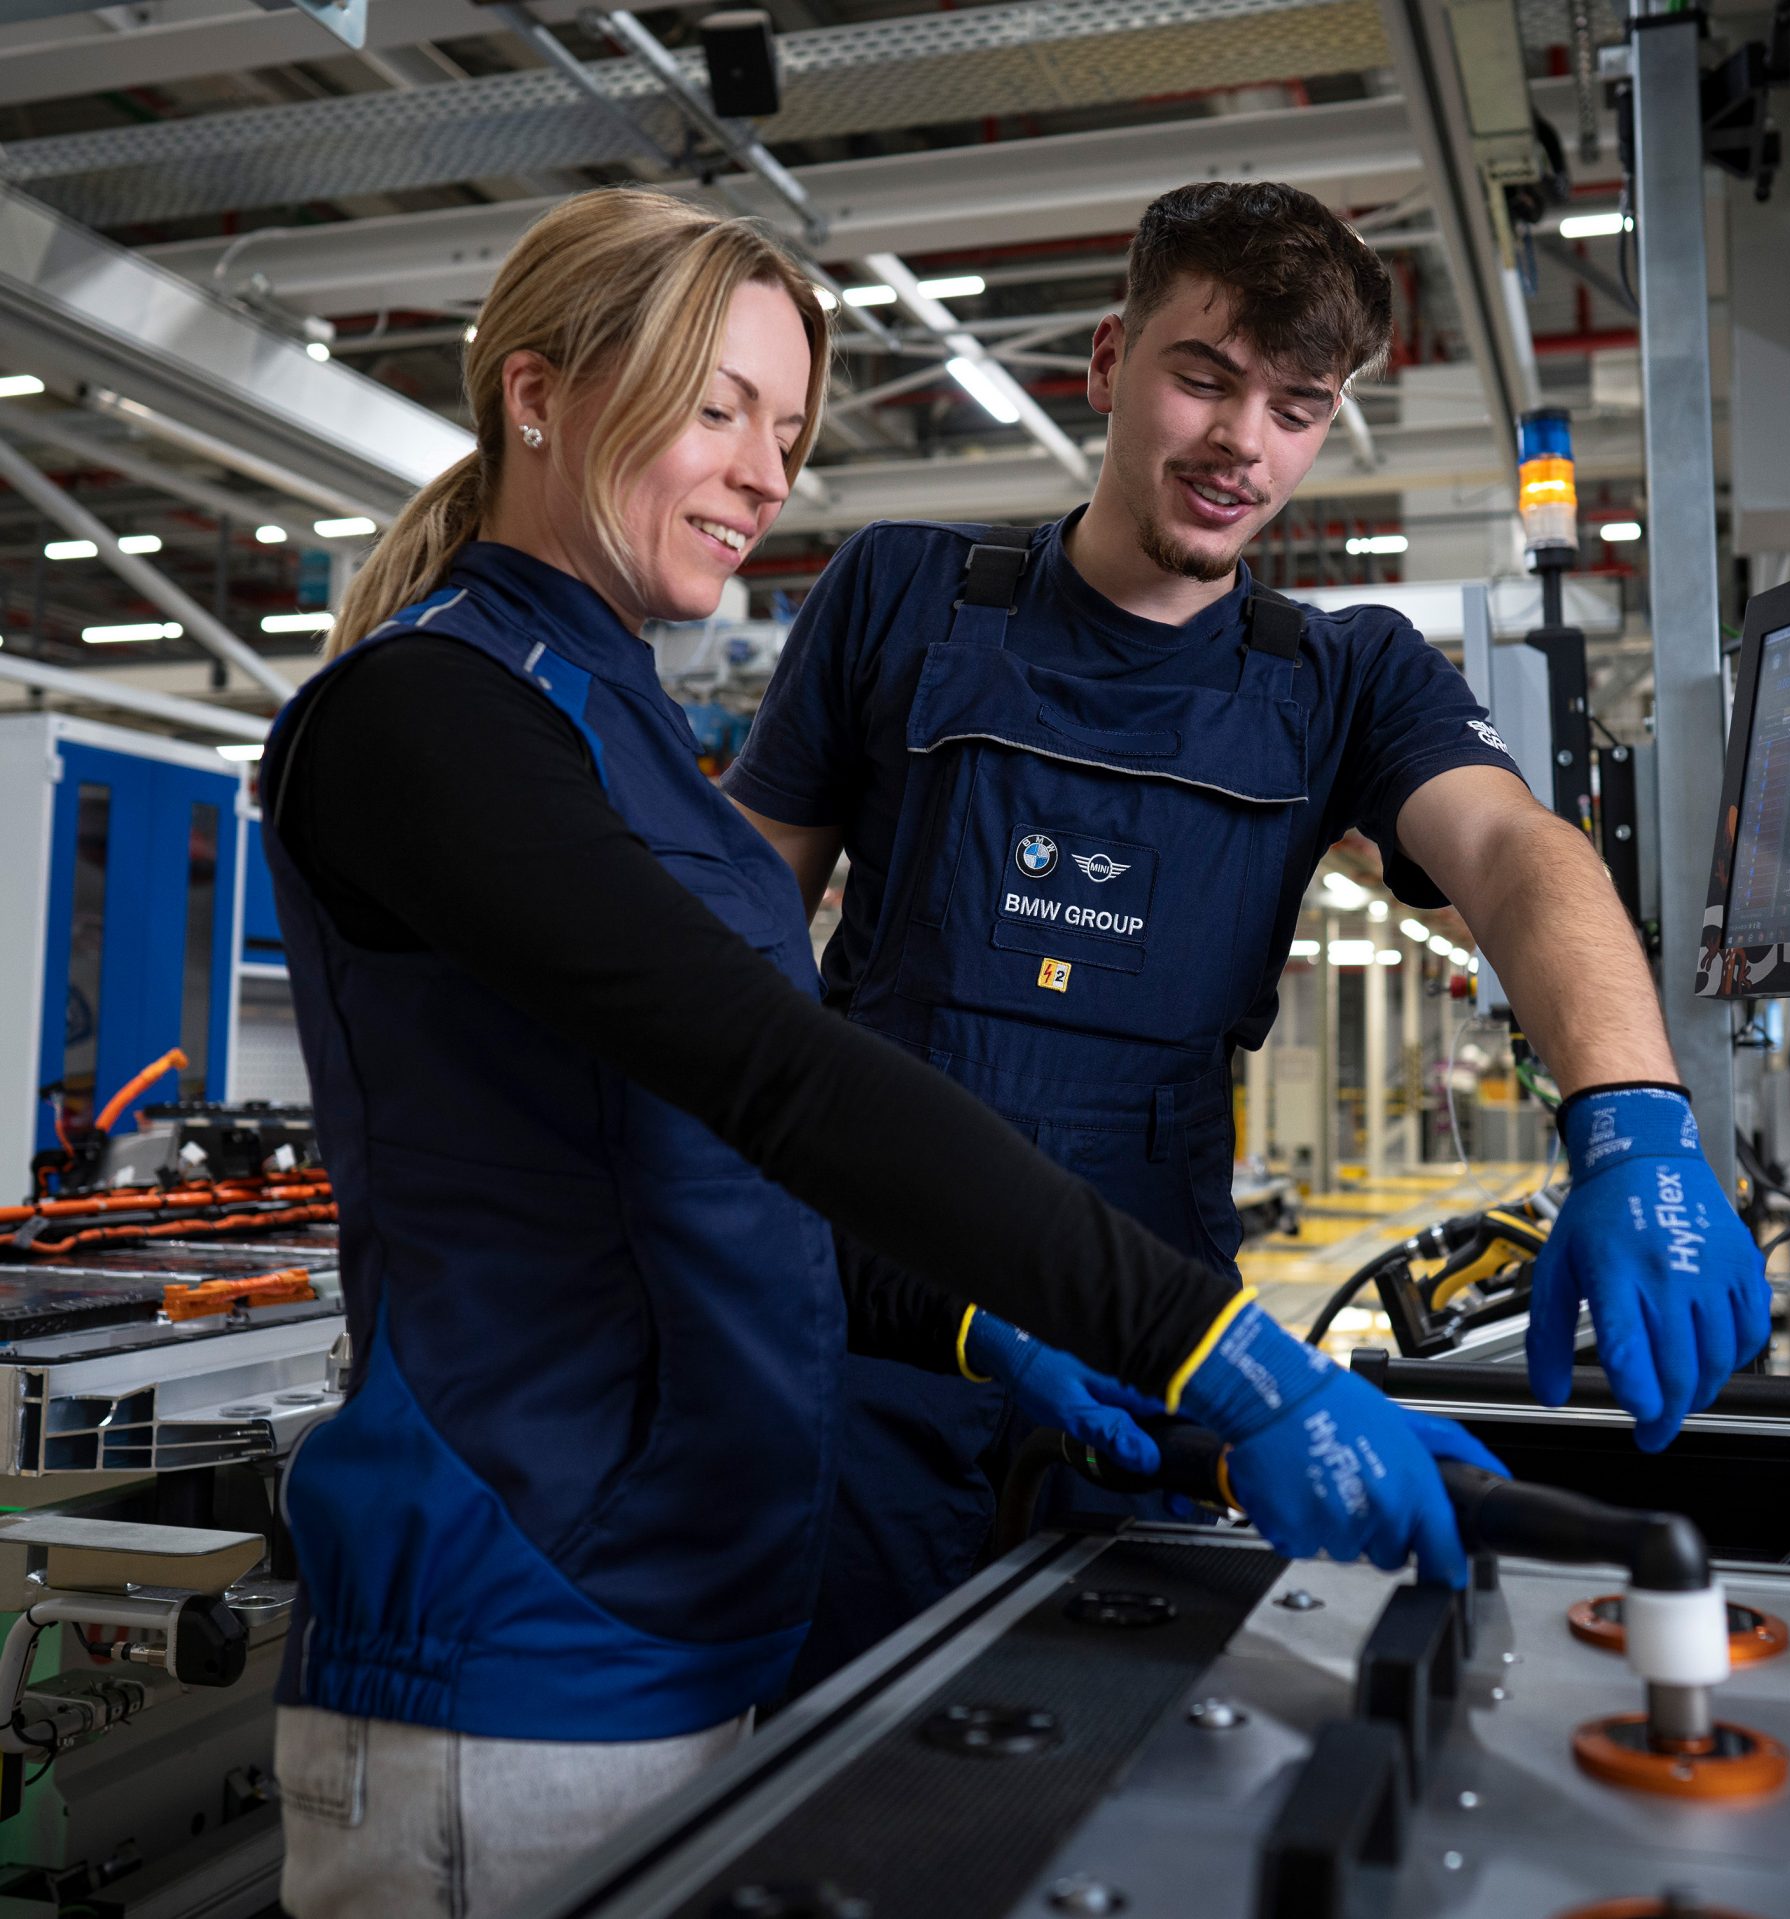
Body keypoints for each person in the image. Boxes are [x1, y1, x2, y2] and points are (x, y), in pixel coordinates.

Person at [256, 187, 1503, 1919]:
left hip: (689, 1616)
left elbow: (714, 1179)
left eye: (786, 424)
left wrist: (987, 1328)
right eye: (716, 411)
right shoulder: (425, 717)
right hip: (513, 1644)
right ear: (534, 392)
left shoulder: (615, 728)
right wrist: (1220, 1353)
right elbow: (776, 1080)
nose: (768, 473)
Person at [723, 178, 1774, 1686]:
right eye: (1204, 378)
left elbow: (1516, 849)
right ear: (1107, 363)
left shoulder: (1345, 678)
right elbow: (726, 950)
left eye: (1297, 405)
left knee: (1124, 1783)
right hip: (858, 1359)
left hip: (1167, 1379)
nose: (1243, 445)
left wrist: (1635, 1118)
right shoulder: (898, 594)